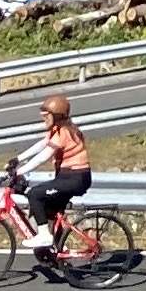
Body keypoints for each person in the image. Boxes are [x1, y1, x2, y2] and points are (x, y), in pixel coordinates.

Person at [21, 90, 92, 269]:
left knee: (35, 194)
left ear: (57, 116)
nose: (43, 120)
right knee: (50, 209)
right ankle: (58, 249)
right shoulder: (57, 130)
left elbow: (44, 156)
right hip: (67, 177)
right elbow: (41, 145)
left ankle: (45, 236)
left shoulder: (64, 132)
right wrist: (18, 159)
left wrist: (20, 171)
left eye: (46, 116)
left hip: (75, 178)